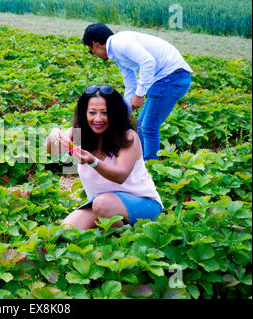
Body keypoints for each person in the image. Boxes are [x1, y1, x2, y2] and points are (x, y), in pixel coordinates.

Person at [45, 85, 163, 229]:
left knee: (103, 205)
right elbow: (52, 150)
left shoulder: (128, 137)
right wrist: (54, 135)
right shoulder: (79, 132)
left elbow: (120, 175)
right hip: (99, 205)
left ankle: (123, 240)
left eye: (105, 113)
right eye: (92, 112)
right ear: (85, 113)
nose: (98, 119)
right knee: (65, 231)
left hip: (143, 204)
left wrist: (93, 161)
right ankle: (111, 228)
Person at [82, 23, 192, 161]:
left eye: (91, 51)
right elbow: (130, 83)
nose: (94, 55)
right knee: (140, 125)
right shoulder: (116, 51)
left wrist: (139, 95)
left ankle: (150, 170)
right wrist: (123, 111)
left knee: (149, 128)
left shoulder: (120, 44)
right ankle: (138, 162)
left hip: (171, 77)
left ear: (95, 44)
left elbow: (148, 62)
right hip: (165, 79)